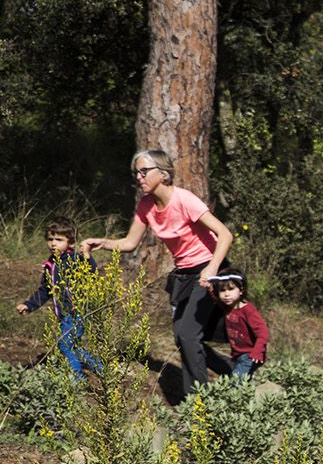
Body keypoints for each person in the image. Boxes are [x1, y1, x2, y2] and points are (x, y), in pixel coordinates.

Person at [82, 149, 235, 396]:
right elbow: (130, 243)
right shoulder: (146, 205)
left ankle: (198, 405)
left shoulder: (184, 200)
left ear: (163, 174)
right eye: (136, 173)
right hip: (184, 274)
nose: (139, 177)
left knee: (187, 335)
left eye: (144, 171)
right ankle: (229, 369)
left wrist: (212, 269)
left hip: (210, 268)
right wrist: (103, 242)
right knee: (182, 339)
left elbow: (225, 234)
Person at [16, 216, 99, 378]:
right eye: (50, 239)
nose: (53, 243)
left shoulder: (75, 259)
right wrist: (29, 305)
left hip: (77, 311)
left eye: (59, 239)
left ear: (71, 243)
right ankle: (101, 367)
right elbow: (45, 290)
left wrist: (88, 257)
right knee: (70, 346)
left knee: (65, 344)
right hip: (64, 314)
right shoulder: (50, 264)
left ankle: (77, 379)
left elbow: (92, 272)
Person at [208, 272, 268, 377]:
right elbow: (216, 299)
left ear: (241, 290)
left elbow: (263, 331)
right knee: (243, 382)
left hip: (250, 354)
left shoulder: (248, 310)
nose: (226, 294)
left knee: (235, 384)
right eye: (222, 291)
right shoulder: (228, 307)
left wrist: (258, 351)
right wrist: (210, 288)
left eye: (231, 289)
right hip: (237, 355)